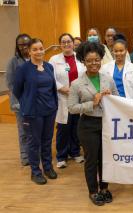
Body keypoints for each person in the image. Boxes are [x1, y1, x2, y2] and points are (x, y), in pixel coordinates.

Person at [68, 41, 118, 206]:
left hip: (106, 124)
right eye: (89, 60)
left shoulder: (108, 80)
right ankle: (93, 191)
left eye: (96, 59)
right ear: (83, 61)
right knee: (91, 160)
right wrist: (93, 103)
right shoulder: (76, 84)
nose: (93, 63)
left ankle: (104, 188)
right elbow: (72, 108)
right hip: (88, 125)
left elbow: (118, 100)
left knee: (105, 158)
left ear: (101, 59)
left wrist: (111, 97)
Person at [12, 38, 58, 185]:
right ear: (29, 51)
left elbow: (52, 88)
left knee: (46, 141)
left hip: (49, 110)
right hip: (33, 113)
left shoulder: (49, 67)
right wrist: (27, 102)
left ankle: (48, 167)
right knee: (34, 143)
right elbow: (17, 90)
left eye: (41, 48)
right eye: (35, 49)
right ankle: (35, 172)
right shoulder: (23, 69)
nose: (39, 52)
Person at [49, 33, 86, 168]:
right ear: (60, 44)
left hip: (78, 98)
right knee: (63, 128)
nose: (66, 44)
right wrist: (62, 88)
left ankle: (75, 152)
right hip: (63, 97)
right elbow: (51, 78)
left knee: (76, 126)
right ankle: (61, 156)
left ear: (72, 43)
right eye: (63, 42)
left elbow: (86, 75)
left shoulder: (80, 58)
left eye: (68, 41)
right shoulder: (54, 59)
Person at [5, 33, 31, 166]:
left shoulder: (35, 58)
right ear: (17, 46)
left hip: (34, 102)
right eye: (21, 44)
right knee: (23, 131)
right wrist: (16, 102)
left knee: (34, 130)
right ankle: (25, 157)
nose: (24, 47)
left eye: (26, 44)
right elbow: (10, 83)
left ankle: (34, 153)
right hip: (20, 103)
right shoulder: (13, 61)